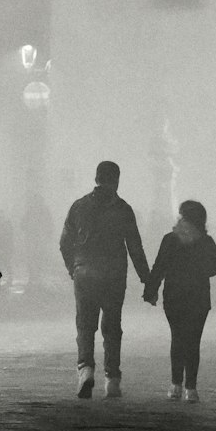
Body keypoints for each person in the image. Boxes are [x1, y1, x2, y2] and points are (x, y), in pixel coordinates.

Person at [59, 160, 150, 400]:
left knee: (85, 324)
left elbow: (65, 242)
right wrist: (147, 279)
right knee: (111, 327)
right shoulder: (123, 209)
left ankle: (86, 370)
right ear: (117, 180)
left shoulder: (78, 206)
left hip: (85, 273)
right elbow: (135, 248)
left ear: (96, 178)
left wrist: (73, 268)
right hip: (113, 275)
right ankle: (112, 379)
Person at [143, 199, 216, 404]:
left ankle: (175, 385)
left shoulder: (170, 239)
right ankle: (191, 389)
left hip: (174, 296)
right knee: (193, 342)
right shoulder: (206, 242)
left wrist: (150, 291)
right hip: (199, 297)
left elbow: (159, 266)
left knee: (177, 338)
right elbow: (215, 268)